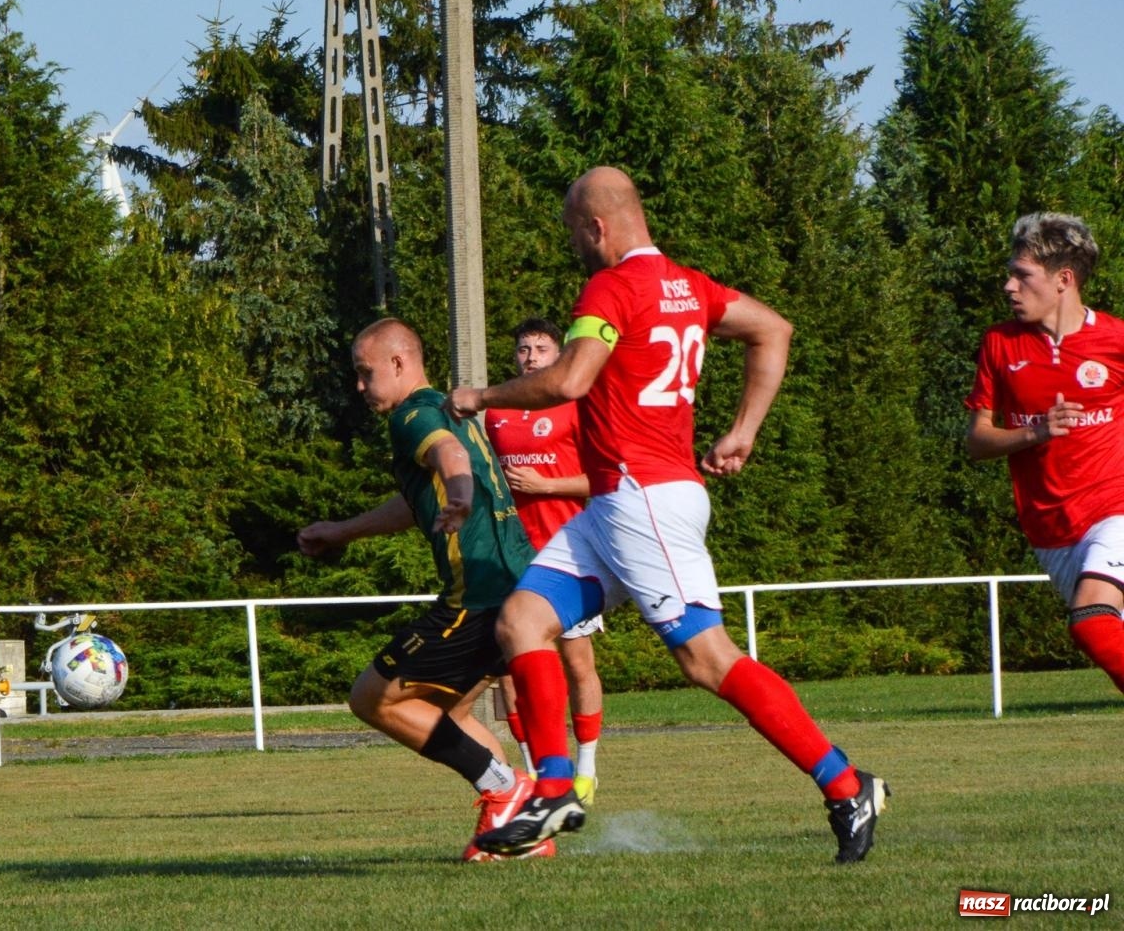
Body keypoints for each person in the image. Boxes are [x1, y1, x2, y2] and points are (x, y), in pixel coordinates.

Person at [447, 166, 888, 863]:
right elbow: (773, 329)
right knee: (522, 620)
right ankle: (556, 785)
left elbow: (569, 378)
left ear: (596, 226)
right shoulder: (690, 286)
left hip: (641, 498)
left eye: (573, 233)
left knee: (707, 659)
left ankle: (844, 782)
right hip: (617, 502)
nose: (574, 247)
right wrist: (744, 429)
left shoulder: (611, 286)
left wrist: (480, 395)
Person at [296, 318, 549, 862]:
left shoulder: (413, 416)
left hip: (475, 598)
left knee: (372, 697)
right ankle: (522, 832)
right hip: (516, 590)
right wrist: (342, 531)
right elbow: (415, 503)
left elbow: (450, 463)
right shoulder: (444, 408)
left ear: (398, 364)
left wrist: (458, 496)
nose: (360, 387)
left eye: (365, 374)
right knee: (446, 714)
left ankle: (506, 792)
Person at [965, 212, 1124, 696]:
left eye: (1022, 275)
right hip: (1051, 531)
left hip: (1115, 510)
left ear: (1063, 279)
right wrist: (1033, 432)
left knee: (1091, 622)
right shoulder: (999, 343)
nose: (1009, 286)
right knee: (1102, 634)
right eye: (1010, 273)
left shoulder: (1116, 340)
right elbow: (977, 441)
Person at [484, 317, 604, 800]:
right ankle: (534, 771)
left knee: (577, 663)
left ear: (559, 356)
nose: (530, 356)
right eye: (523, 348)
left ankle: (587, 769)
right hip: (512, 554)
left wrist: (548, 486)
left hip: (567, 551)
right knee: (510, 668)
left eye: (540, 348)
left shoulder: (578, 405)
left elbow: (603, 480)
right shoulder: (498, 412)